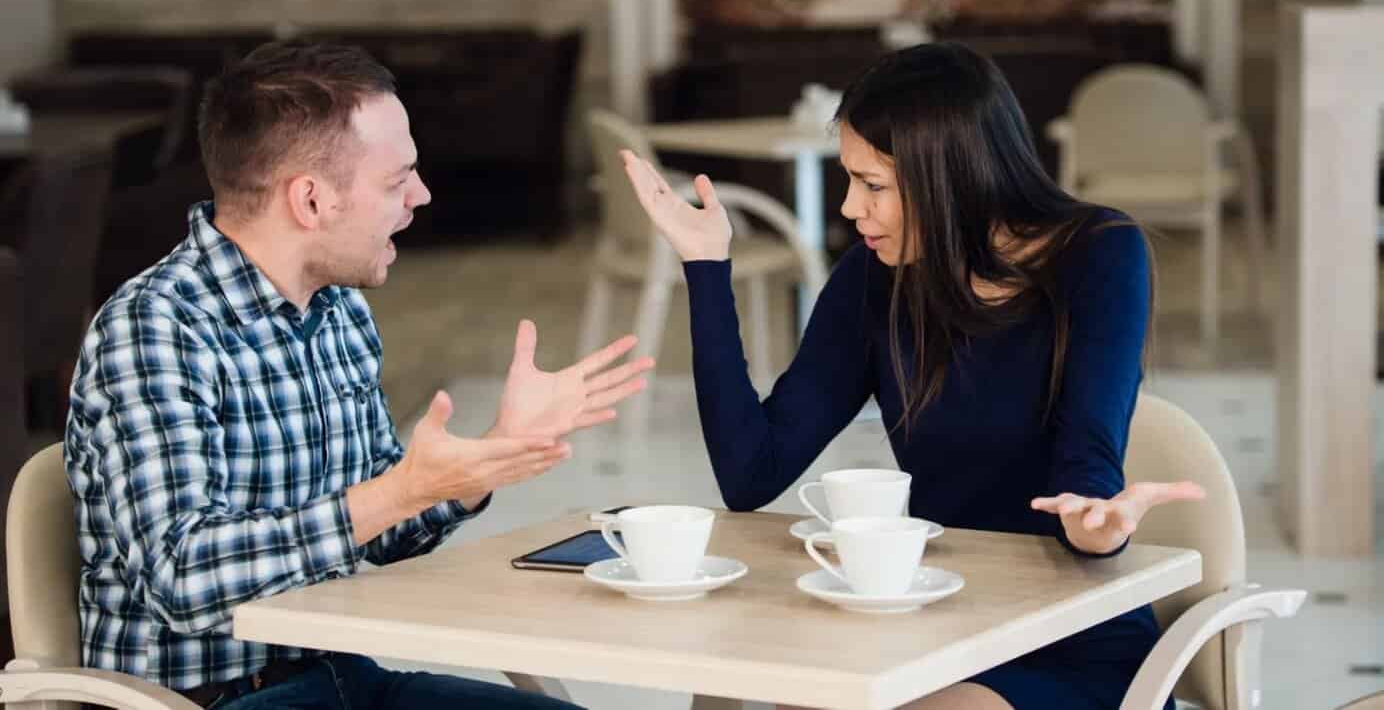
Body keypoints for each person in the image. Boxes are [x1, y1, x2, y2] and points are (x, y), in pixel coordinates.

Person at [64, 41, 653, 709]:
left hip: (341, 679)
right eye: (396, 179)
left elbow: (389, 526)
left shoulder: (338, 310)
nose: (421, 196)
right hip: (206, 700)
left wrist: (485, 457)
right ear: (311, 201)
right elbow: (182, 577)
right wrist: (398, 492)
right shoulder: (157, 328)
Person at [620, 42, 1204, 710]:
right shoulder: (875, 277)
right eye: (849, 180)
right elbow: (753, 472)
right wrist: (706, 266)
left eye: (872, 185)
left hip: (1068, 631)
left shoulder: (1098, 253)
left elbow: (1087, 462)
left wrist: (1096, 523)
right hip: (933, 620)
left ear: (950, 175)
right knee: (745, 685)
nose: (848, 208)